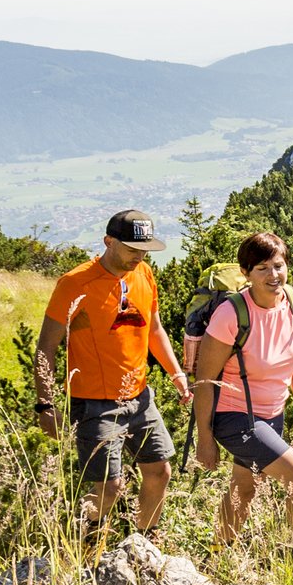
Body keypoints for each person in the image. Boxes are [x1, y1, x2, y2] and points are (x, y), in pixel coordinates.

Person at [33, 209, 192, 543]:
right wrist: (45, 405)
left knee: (159, 470)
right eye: (132, 249)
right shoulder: (75, 283)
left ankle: (145, 544)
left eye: (144, 249)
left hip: (140, 397)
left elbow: (155, 329)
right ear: (108, 242)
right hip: (94, 403)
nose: (139, 256)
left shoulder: (144, 275)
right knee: (108, 487)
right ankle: (85, 549)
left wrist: (175, 372)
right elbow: (46, 345)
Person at [191, 231, 293, 545]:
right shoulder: (231, 314)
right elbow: (205, 379)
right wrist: (204, 438)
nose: (273, 275)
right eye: (262, 269)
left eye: (278, 266)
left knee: (244, 489)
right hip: (235, 417)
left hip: (273, 414)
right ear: (246, 273)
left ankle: (218, 556)